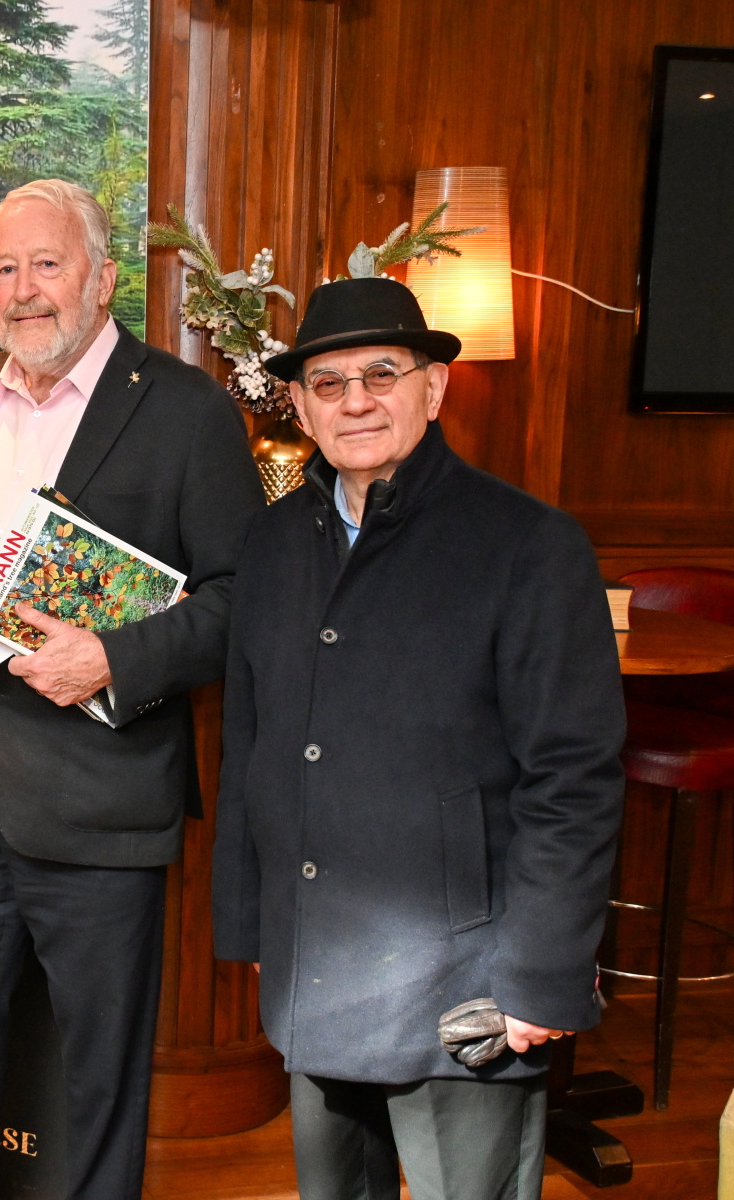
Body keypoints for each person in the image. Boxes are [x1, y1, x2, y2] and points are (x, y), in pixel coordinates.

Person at [212, 275, 626, 1200]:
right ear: (300, 408)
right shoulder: (272, 542)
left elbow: (574, 779)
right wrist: (253, 927)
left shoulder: (530, 544)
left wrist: (541, 977)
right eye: (328, 383)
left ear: (432, 388)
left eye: (381, 374)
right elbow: (253, 742)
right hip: (318, 963)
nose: (355, 400)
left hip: (466, 987)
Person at [0, 180, 265, 1198]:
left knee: (97, 1087)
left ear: (102, 280)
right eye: (3, 269)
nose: (23, 290)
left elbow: (244, 597)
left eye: (46, 264)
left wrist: (115, 658)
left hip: (102, 809)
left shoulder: (186, 411)